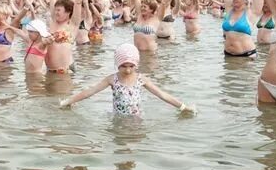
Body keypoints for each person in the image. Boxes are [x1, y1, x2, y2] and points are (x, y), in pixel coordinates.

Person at [59, 43, 196, 116]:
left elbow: (162, 94)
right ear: (117, 64)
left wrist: (183, 107)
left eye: (131, 66)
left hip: (136, 119)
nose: (128, 70)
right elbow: (90, 92)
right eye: (123, 66)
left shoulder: (141, 79)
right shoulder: (112, 79)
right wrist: (68, 101)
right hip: (118, 119)